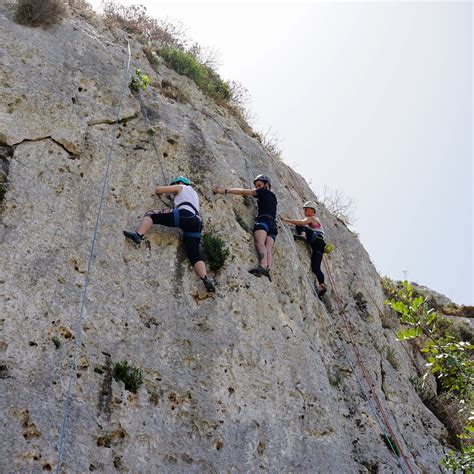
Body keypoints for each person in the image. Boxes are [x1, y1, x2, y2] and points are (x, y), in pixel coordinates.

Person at [123, 176, 215, 292]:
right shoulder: (194, 194)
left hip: (184, 215)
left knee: (151, 214)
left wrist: (168, 190)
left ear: (179, 182)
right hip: (197, 222)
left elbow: (158, 189)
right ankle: (205, 278)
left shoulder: (181, 186)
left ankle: (138, 235)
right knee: (194, 254)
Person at [212, 174, 277, 279]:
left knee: (260, 243)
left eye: (259, 185)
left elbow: (244, 191)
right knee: (268, 247)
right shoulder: (273, 196)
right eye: (256, 186)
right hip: (273, 225)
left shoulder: (263, 191)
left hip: (264, 220)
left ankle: (263, 266)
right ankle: (268, 268)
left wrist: (224, 191)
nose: (257, 188)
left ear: (266, 185)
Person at [281, 201, 327, 298]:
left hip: (316, 239)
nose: (304, 211)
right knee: (316, 267)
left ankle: (303, 236)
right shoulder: (315, 221)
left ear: (312, 210)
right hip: (319, 244)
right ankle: (322, 285)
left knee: (300, 225)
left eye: (306, 209)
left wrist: (286, 220)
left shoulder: (312, 218)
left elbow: (301, 223)